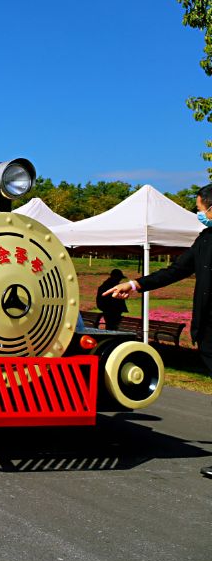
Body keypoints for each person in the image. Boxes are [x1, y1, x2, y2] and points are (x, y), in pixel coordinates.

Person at [105, 183, 212, 479]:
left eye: (200, 209)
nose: (198, 214)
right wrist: (135, 285)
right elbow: (176, 271)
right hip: (208, 330)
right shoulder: (205, 239)